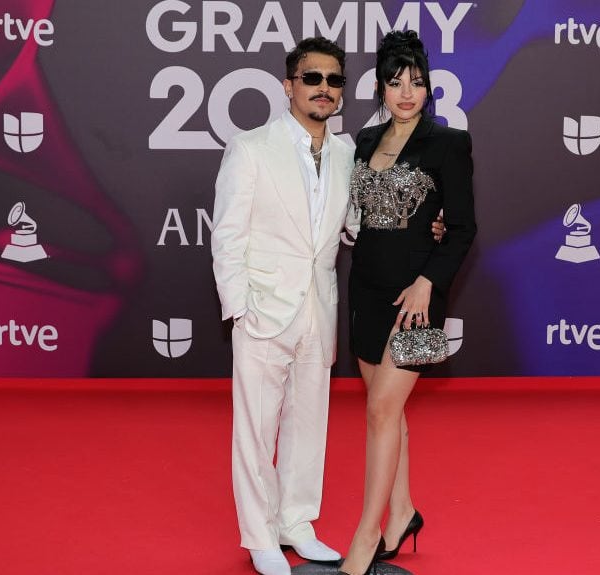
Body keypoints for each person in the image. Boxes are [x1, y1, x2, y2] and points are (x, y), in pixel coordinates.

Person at [211, 37, 353, 575]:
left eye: (334, 80)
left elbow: (353, 229)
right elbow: (227, 236)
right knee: (256, 428)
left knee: (308, 425)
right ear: (289, 85)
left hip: (319, 308)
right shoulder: (251, 147)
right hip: (263, 309)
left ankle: (297, 522)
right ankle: (260, 536)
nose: (323, 89)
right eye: (312, 78)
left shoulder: (346, 154)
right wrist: (239, 308)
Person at [336, 30, 477, 575]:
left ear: (428, 87)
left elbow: (463, 228)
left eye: (416, 82)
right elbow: (357, 221)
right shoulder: (365, 143)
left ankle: (366, 536)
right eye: (396, 83)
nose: (407, 93)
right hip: (366, 290)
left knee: (379, 411)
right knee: (387, 415)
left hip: (417, 300)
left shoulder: (448, 143)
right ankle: (402, 513)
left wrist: (428, 282)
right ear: (380, 87)